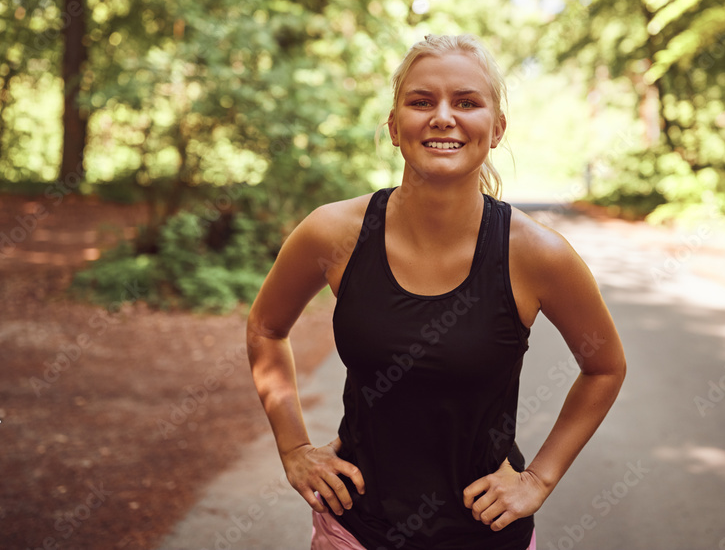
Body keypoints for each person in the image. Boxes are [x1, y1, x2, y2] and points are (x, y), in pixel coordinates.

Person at [247, 33, 626, 550]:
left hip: (488, 537)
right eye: (421, 101)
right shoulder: (333, 233)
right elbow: (267, 328)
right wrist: (293, 448)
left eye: (466, 102)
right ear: (394, 126)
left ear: (496, 130)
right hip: (356, 531)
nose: (443, 117)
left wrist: (538, 479)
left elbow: (604, 366)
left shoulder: (536, 253)